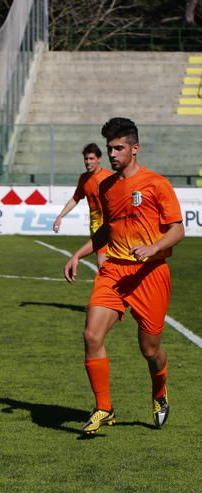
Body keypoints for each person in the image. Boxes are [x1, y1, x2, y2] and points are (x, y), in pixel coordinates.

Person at [63, 117, 184, 436]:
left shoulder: (156, 184)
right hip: (113, 271)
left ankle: (160, 393)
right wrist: (79, 253)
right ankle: (104, 408)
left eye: (118, 148)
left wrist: (154, 247)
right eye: (109, 148)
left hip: (150, 273)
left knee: (149, 350)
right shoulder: (106, 186)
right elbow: (107, 230)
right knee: (91, 336)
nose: (113, 154)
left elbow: (177, 229)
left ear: (135, 148)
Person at [53, 143, 114, 268]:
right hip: (95, 226)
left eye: (91, 159)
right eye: (86, 159)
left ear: (99, 159)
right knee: (104, 263)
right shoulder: (84, 179)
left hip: (110, 225)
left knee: (102, 262)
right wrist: (60, 216)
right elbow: (76, 199)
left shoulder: (109, 177)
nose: (88, 162)